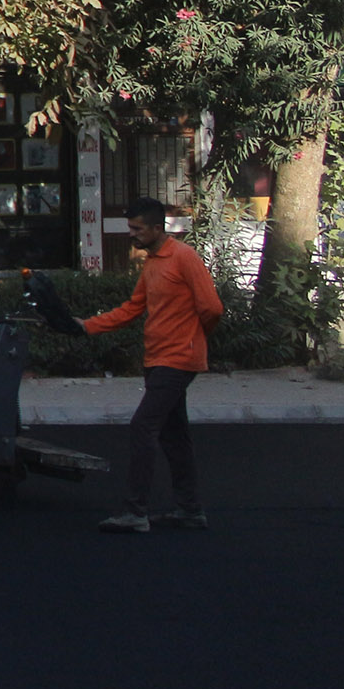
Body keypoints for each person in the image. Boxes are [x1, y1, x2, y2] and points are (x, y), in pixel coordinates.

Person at [84, 198, 225, 532]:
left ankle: (135, 512)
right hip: (158, 357)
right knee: (174, 435)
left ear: (157, 228)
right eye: (130, 227)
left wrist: (194, 337)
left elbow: (212, 308)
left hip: (178, 360)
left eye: (137, 228)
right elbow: (133, 308)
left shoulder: (184, 257)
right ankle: (190, 511)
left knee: (143, 427)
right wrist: (87, 326)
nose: (131, 234)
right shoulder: (152, 263)